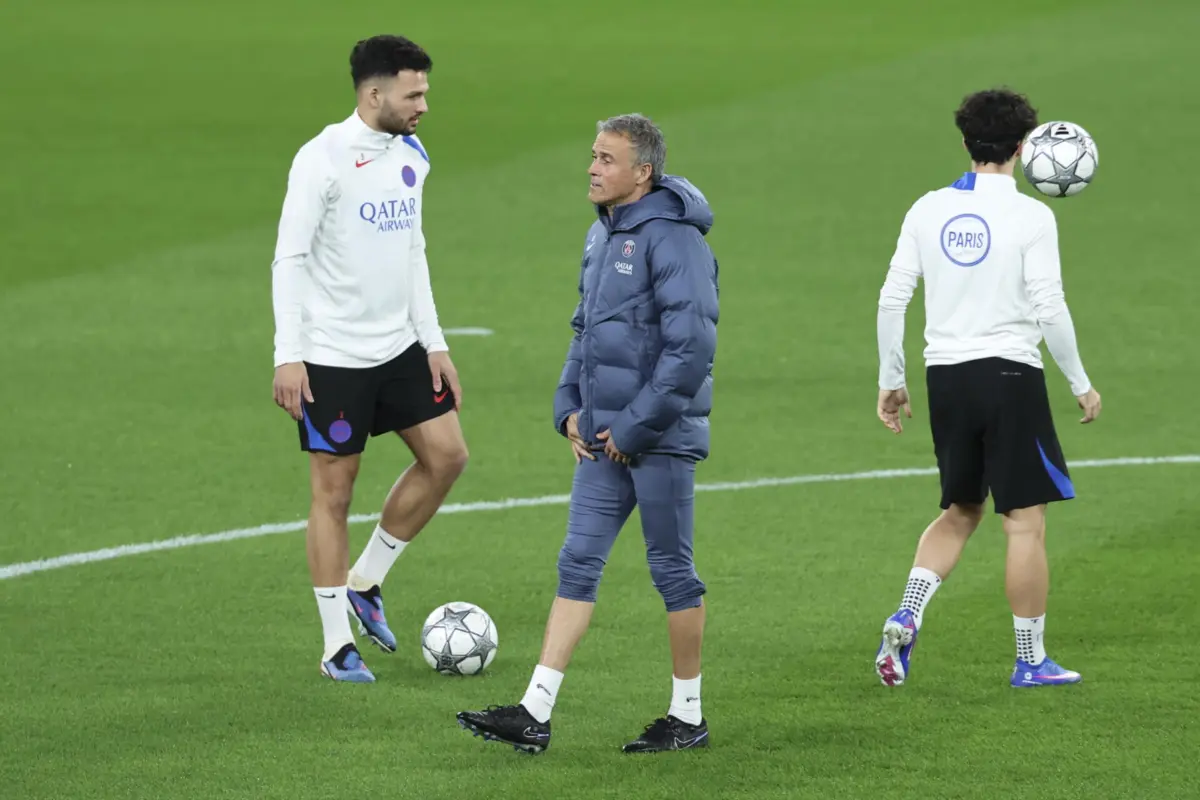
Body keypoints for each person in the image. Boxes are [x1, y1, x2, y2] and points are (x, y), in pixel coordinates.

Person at [456, 114, 719, 754]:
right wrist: (568, 407)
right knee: (577, 563)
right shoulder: (601, 236)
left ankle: (688, 716)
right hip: (604, 441)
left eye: (606, 158)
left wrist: (632, 427)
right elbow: (585, 331)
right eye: (592, 156)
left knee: (672, 572)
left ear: (642, 171)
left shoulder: (674, 240)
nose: (593, 167)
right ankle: (534, 711)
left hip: (659, 438)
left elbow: (691, 349)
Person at [873, 88, 1102, 689]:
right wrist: (1080, 381)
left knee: (960, 509)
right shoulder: (1032, 215)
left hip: (945, 377)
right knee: (1023, 521)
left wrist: (891, 380)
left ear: (967, 142)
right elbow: (1049, 306)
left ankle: (907, 614)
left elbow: (892, 298)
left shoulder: (927, 208)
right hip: (1009, 376)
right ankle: (1031, 659)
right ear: (1024, 148)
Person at [270, 34, 469, 683]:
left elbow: (414, 250)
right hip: (331, 359)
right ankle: (335, 647)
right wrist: (289, 355)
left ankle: (367, 582)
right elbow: (290, 259)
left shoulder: (411, 153)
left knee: (447, 457)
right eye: (414, 94)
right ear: (374, 93)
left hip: (399, 348)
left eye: (425, 93)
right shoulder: (320, 159)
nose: (424, 106)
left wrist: (434, 341)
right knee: (334, 491)